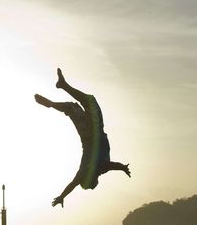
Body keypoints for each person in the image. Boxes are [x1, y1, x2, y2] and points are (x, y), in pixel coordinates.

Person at [35, 68, 130, 208]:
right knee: (72, 108)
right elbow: (73, 184)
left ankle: (62, 89)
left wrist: (122, 168)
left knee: (89, 101)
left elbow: (113, 165)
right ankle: (54, 102)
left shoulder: (99, 169)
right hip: (85, 136)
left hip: (95, 132)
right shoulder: (85, 172)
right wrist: (61, 196)